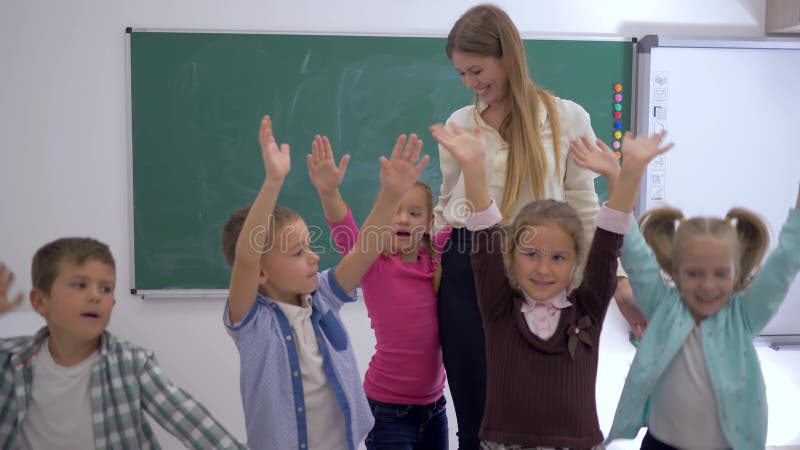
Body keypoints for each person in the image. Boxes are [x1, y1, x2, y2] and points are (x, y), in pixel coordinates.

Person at [433, 4, 637, 447]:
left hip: (542, 272)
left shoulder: (567, 118)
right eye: (461, 75)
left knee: (541, 412)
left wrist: (617, 279)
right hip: (471, 270)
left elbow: (585, 206)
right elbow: (448, 206)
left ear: (506, 54)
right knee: (474, 417)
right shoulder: (460, 124)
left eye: (476, 70)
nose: (471, 84)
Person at [432, 122, 670, 448]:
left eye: (558, 257)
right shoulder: (499, 306)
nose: (543, 268)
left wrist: (625, 176)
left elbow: (609, 240)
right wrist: (473, 168)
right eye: (531, 254)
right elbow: (484, 233)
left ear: (576, 264)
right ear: (512, 257)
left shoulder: (587, 307)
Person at [572, 133, 800, 450]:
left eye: (720, 274)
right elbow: (632, 249)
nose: (707, 285)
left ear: (737, 273)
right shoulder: (662, 305)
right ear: (676, 271)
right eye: (694, 274)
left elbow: (787, 258)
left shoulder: (744, 316)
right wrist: (621, 174)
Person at [221, 115, 428, 450]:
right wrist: (274, 180)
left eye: (311, 247)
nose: (314, 257)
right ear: (262, 273)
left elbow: (364, 251)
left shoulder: (322, 297)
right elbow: (247, 256)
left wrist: (390, 196)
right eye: (298, 252)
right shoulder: (251, 322)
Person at [0, 240, 245, 449]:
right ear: (40, 302)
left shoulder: (132, 363)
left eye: (106, 288)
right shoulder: (10, 361)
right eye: (79, 285)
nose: (96, 296)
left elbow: (193, 423)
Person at [307, 135, 448, 449]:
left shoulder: (437, 259)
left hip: (436, 406)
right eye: (395, 211)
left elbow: (476, 222)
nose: (402, 218)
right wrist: (329, 190)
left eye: (413, 213)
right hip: (387, 411)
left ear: (429, 222)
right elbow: (342, 226)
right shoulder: (372, 264)